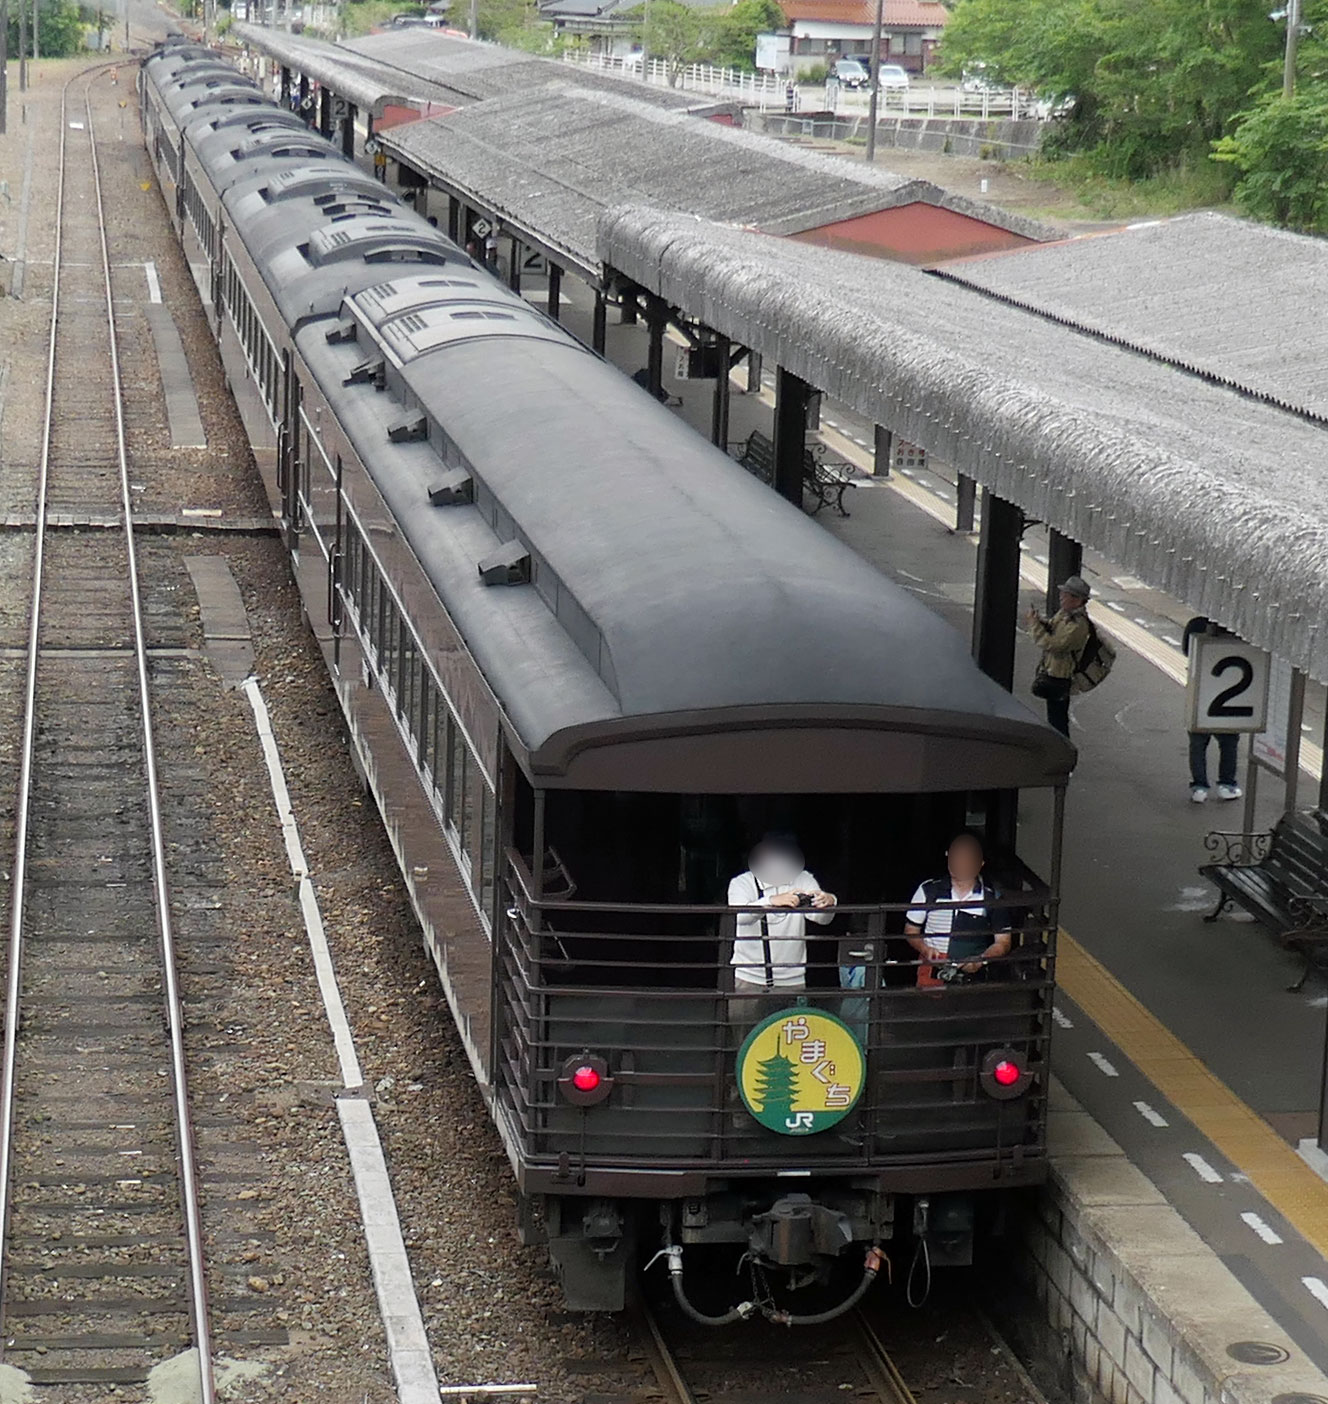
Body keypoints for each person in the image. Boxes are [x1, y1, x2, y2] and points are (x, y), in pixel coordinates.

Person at [728, 835, 836, 1028]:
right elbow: (739, 918)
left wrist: (828, 901)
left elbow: (822, 919)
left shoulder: (803, 878)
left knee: (788, 1041)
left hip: (792, 979)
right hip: (749, 978)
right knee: (744, 1040)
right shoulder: (741, 883)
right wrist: (770, 902)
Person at [905, 834, 1011, 988]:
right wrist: (926, 950)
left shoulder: (992, 897)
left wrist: (981, 959)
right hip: (932, 973)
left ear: (980, 863)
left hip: (973, 978)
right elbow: (910, 930)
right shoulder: (929, 890)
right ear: (948, 855)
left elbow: (1003, 942)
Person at [1182, 617, 1242, 803]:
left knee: (1198, 742)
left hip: (1200, 690)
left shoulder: (1195, 624)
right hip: (1229, 695)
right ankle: (1227, 785)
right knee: (1229, 742)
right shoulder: (1236, 625)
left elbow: (1186, 650)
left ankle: (1199, 788)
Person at [1026, 575, 1093, 738]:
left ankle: (1062, 755)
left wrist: (1034, 625)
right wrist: (1040, 621)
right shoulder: (1065, 615)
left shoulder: (1078, 625)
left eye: (1066, 595)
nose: (1061, 597)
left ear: (1077, 600)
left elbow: (1055, 645)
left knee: (1058, 722)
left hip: (1061, 677)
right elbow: (1052, 627)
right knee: (1055, 719)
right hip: (1052, 672)